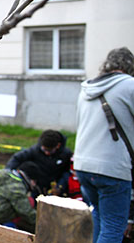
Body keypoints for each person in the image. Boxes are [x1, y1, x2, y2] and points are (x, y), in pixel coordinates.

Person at [74, 47, 134, 243]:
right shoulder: (129, 85)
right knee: (114, 225)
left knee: (100, 217)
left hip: (83, 165)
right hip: (113, 167)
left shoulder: (86, 89)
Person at [5, 129, 73, 196]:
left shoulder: (66, 154)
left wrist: (60, 186)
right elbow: (17, 158)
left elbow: (67, 172)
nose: (47, 153)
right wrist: (8, 172)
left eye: (50, 150)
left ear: (58, 146)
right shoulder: (34, 150)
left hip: (55, 188)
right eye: (44, 150)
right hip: (37, 186)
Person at [0, 161, 39, 229]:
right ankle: (9, 228)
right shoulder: (17, 188)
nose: (34, 185)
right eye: (35, 182)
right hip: (1, 215)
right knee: (30, 201)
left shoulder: (10, 178)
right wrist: (40, 222)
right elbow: (25, 210)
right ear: (30, 179)